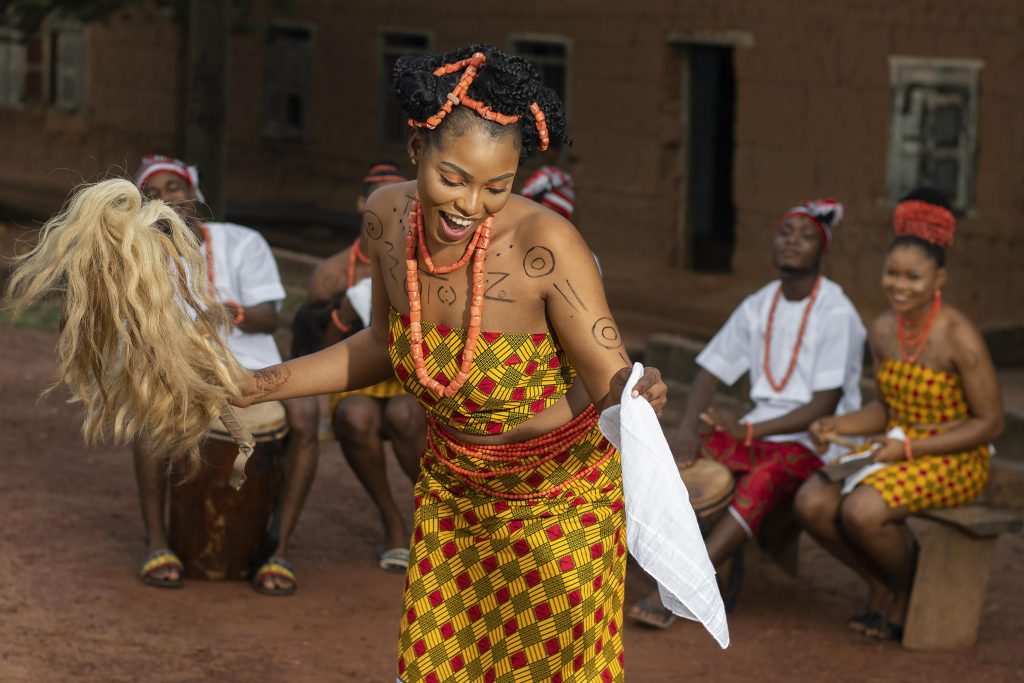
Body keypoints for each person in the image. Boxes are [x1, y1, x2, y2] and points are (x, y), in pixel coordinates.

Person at [236, 45, 672, 682]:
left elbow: (612, 381)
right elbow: (385, 343)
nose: (472, 204)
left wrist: (638, 388)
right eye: (454, 178)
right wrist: (257, 385)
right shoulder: (385, 216)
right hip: (451, 492)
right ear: (417, 149)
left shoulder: (546, 247)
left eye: (498, 186)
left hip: (557, 504)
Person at [629, 199, 866, 628]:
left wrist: (750, 427)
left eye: (806, 235)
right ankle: (662, 559)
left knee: (761, 480)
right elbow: (708, 372)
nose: (793, 242)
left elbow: (823, 407)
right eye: (785, 233)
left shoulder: (837, 312)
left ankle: (688, 585)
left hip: (815, 442)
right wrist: (684, 431)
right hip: (758, 433)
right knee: (682, 464)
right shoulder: (761, 304)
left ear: (823, 249)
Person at [794, 188, 1004, 641]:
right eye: (892, 274)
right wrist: (836, 426)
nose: (900, 286)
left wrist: (909, 447)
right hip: (897, 447)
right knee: (811, 502)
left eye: (914, 277)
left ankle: (910, 590)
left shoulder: (959, 338)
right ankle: (882, 583)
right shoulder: (885, 329)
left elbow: (990, 424)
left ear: (938, 279)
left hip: (957, 456)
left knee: (862, 511)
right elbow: (887, 408)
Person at [131, 155, 319, 596]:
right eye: (152, 193)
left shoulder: (242, 241)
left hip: (256, 365)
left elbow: (268, 318)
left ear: (193, 194)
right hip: (182, 371)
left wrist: (220, 312)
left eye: (173, 188)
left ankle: (281, 548)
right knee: (145, 410)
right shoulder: (138, 256)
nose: (166, 199)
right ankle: (156, 542)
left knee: (308, 417)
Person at [294, 161, 426, 572]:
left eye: (402, 197)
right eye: (379, 197)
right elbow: (312, 349)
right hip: (356, 381)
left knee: (406, 415)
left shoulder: (429, 262)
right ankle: (391, 521)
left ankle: (433, 520)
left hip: (411, 381)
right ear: (360, 203)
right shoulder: (331, 274)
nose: (393, 207)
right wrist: (343, 314)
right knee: (354, 416)